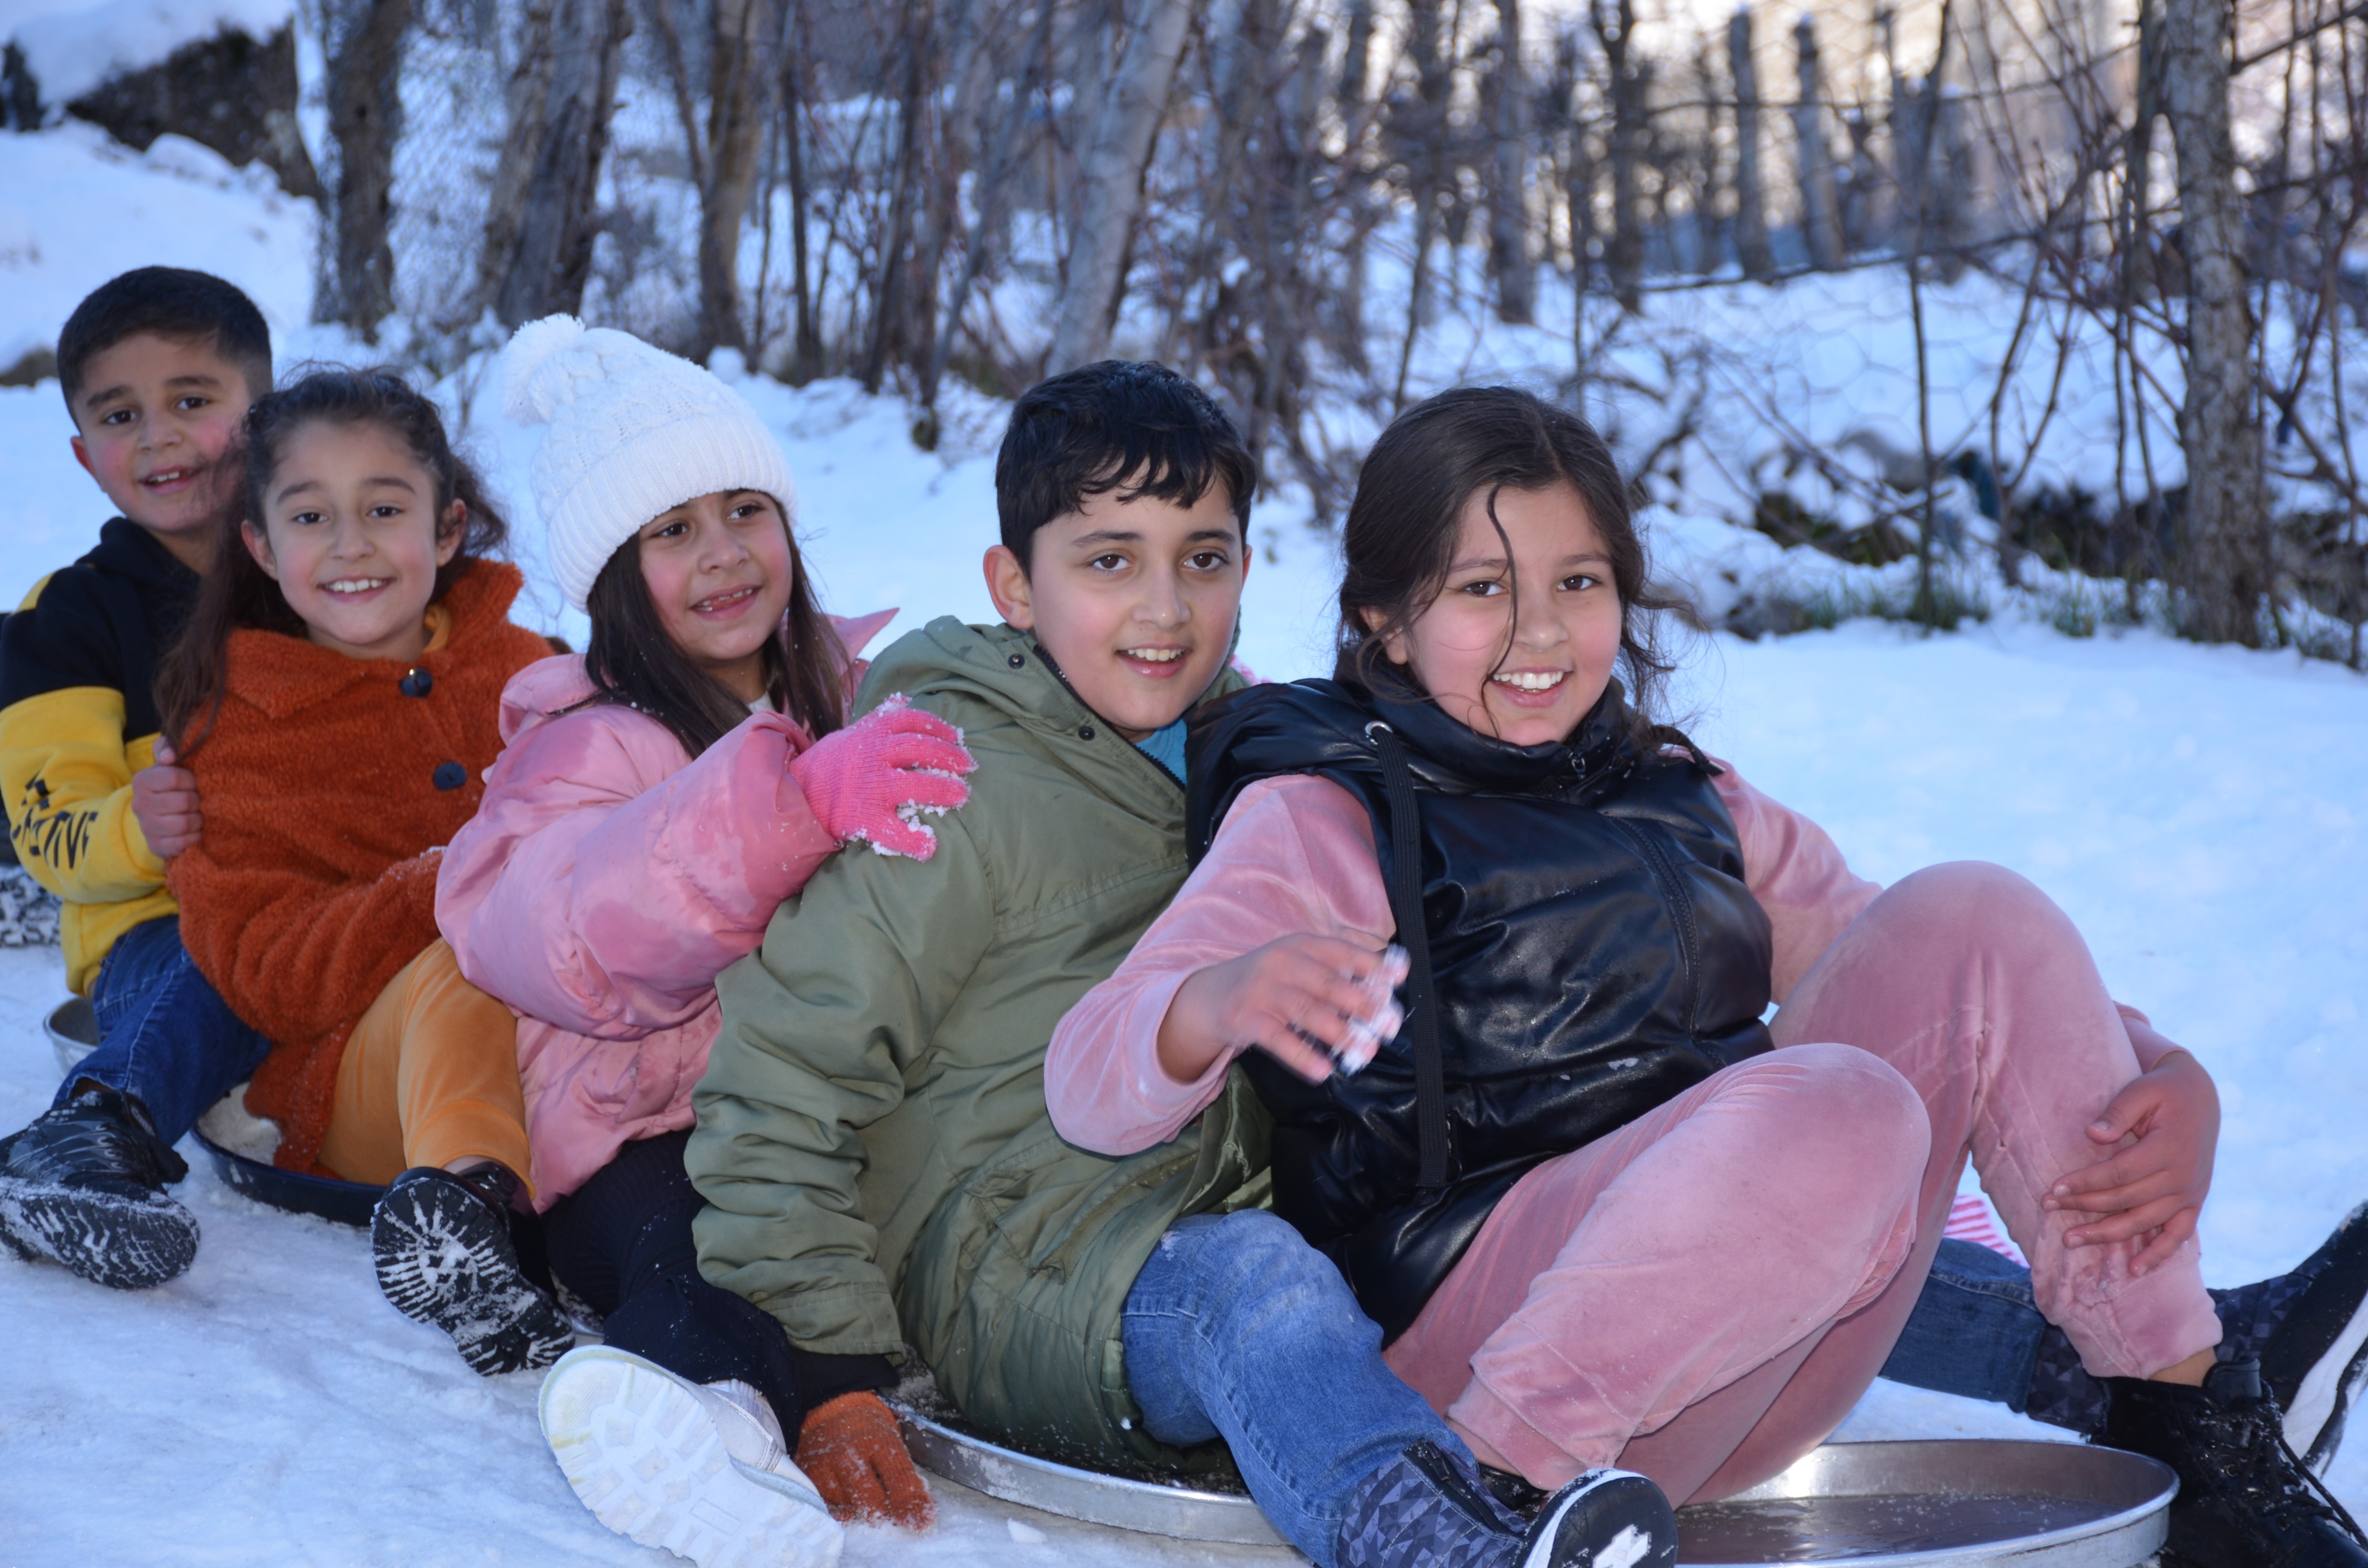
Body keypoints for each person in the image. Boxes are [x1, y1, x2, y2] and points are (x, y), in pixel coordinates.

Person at [1045, 385, 2368, 1568]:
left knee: (1976, 910)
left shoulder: (1684, 798)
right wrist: (1207, 1005)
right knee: (1840, 1105)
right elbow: (1087, 1087)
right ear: (1385, 622)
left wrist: (2166, 1075)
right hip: (1475, 1375)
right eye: (1480, 589)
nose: (1540, 634)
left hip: (1731, 1360)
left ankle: (2187, 1413)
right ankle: (1496, 1522)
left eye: (1579, 582)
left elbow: (1944, 971)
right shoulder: (1327, 817)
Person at [685, 361, 1685, 1568]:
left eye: (1202, 559)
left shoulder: (1265, 750)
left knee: (1599, 1196)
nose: (1165, 608)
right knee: (1254, 1288)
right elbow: (785, 1077)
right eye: (1109, 561)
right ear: (1014, 584)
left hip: (1249, 1213)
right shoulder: (952, 790)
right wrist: (827, 1367)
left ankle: (1987, 1341)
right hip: (1022, 1260)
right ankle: (1432, 1547)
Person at [434, 318, 973, 1568]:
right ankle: (697, 1425)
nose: (725, 554)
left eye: (746, 510)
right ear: (613, 574)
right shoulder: (586, 743)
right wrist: (787, 807)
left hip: (816, 1116)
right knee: (709, 1249)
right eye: (673, 531)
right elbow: (556, 924)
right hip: (644, 1138)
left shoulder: (859, 693)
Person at [150, 365, 573, 1375]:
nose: (350, 544)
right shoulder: (240, 728)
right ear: (259, 545)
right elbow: (265, 971)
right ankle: (468, 1214)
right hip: (358, 1083)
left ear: (446, 529)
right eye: (310, 515)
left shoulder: (532, 667)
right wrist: (447, 881)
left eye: (384, 507)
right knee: (458, 967)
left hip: (569, 1042)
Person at [0, 268, 279, 1288]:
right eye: (122, 415)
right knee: (229, 946)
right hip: (157, 931)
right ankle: (89, 1128)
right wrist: (136, 828)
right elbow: (53, 833)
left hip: (334, 910)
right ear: (84, 454)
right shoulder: (69, 620)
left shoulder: (328, 575)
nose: (158, 437)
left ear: (265, 413)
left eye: (193, 401)